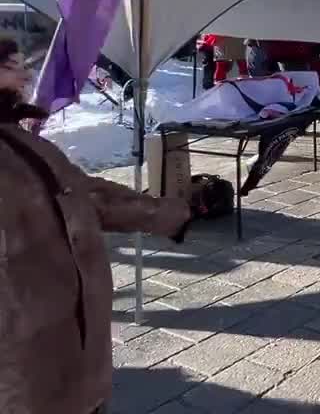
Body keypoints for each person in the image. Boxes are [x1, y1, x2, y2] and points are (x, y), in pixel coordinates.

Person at [0, 35, 192, 414]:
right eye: (10, 66)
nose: (25, 76)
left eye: (24, 64)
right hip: (22, 376)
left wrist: (167, 212)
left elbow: (82, 195)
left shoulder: (21, 142)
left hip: (71, 357)